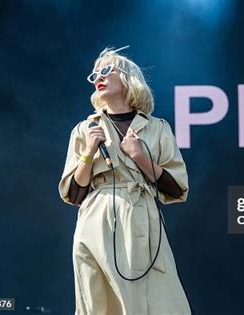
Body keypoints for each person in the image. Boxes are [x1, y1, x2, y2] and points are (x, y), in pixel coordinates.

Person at [58, 46, 192, 315]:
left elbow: (177, 188)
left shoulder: (157, 128)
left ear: (129, 78)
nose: (99, 75)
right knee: (99, 303)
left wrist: (142, 158)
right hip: (96, 221)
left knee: (161, 301)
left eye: (107, 69)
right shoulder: (85, 129)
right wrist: (88, 154)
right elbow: (73, 194)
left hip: (142, 218)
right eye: (95, 73)